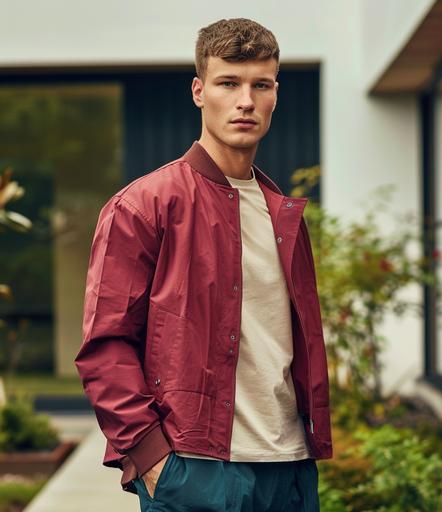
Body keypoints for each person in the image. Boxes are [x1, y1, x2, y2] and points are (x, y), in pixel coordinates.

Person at [75, 17, 332, 512]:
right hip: (195, 469)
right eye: (228, 83)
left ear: (276, 94)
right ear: (199, 91)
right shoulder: (144, 205)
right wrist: (152, 459)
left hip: (291, 469)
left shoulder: (282, 213)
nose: (245, 101)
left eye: (261, 85)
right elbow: (105, 345)